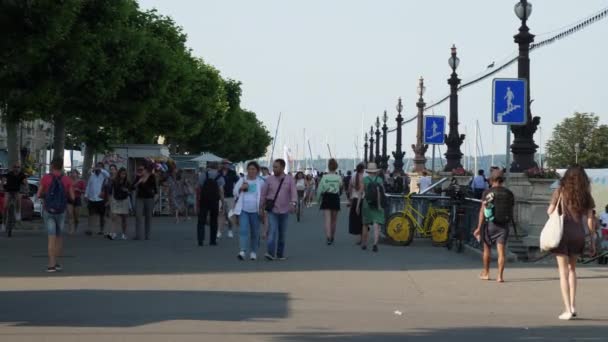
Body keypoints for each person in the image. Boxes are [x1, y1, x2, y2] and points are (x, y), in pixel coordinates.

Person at [546, 165, 596, 320]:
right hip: (578, 235)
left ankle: (567, 309)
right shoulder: (586, 195)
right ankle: (573, 305)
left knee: (563, 272)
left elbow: (549, 211)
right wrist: (592, 240)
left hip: (562, 234)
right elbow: (590, 219)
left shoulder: (560, 191)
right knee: (572, 270)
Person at [473, 170, 514, 283]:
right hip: (503, 225)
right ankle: (500, 276)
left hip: (490, 224)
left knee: (487, 250)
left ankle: (486, 273)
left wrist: (478, 228)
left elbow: (482, 211)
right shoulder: (509, 193)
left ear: (491, 180)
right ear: (502, 180)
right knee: (501, 252)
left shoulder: (487, 192)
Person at [37, 158, 74, 273]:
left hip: (48, 211)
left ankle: (51, 265)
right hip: (61, 211)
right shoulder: (67, 180)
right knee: (58, 238)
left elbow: (38, 194)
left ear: (52, 166)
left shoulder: (46, 178)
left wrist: (46, 195)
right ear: (62, 166)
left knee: (51, 238)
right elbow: (72, 197)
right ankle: (57, 263)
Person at [260, 159, 297, 260]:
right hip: (272, 210)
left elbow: (294, 193)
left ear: (282, 168)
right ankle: (270, 253)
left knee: (282, 233)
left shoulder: (289, 179)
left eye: (276, 167)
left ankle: (280, 254)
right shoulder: (269, 179)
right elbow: (263, 193)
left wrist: (293, 203)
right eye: (273, 167)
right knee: (272, 231)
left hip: (285, 211)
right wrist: (261, 206)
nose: (274, 169)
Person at [234, 161, 265, 261]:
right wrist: (241, 188)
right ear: (247, 170)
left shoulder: (261, 181)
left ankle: (253, 252)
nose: (251, 171)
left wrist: (262, 209)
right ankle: (242, 251)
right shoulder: (242, 179)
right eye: (250, 169)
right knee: (243, 230)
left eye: (253, 169)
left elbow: (264, 195)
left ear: (257, 171)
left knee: (255, 232)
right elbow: (234, 192)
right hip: (244, 210)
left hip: (256, 210)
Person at [197, 161, 225, 246]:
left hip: (204, 199)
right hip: (214, 200)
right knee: (214, 221)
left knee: (201, 220)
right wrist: (223, 202)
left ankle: (200, 240)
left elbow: (200, 186)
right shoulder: (220, 177)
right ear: (217, 167)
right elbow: (221, 190)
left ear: (209, 167)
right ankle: (212, 240)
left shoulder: (203, 175)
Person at [316, 159, 342, 245]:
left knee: (327, 219)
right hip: (335, 197)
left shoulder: (324, 177)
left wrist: (318, 199)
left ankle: (328, 237)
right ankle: (332, 236)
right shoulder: (338, 177)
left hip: (327, 197)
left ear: (328, 166)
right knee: (334, 220)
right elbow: (341, 187)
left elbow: (320, 190)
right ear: (336, 167)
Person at [361, 163, 385, 252]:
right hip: (377, 204)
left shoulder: (365, 180)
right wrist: (380, 204)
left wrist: (357, 205)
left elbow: (361, 192)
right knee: (376, 225)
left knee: (365, 224)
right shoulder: (379, 180)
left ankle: (364, 243)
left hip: (367, 204)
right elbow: (382, 192)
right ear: (376, 171)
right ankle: (375, 244)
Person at [1, 163, 28, 234]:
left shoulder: (21, 175)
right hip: (8, 191)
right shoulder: (9, 174)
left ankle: (17, 213)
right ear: (12, 168)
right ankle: (3, 224)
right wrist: (1, 187)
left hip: (16, 191)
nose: (16, 168)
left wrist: (26, 189)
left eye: (18, 167)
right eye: (15, 167)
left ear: (20, 168)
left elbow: (25, 182)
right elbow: (3, 179)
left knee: (18, 198)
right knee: (5, 206)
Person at [84, 162, 110, 236]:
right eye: (97, 166)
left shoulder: (104, 175)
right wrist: (86, 195)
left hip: (101, 199)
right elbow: (88, 186)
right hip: (92, 198)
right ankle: (90, 229)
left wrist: (101, 169)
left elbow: (108, 175)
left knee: (102, 215)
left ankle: (101, 229)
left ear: (102, 168)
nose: (98, 168)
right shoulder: (92, 176)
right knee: (91, 215)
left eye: (100, 167)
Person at [133, 165, 157, 240]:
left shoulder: (152, 177)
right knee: (138, 216)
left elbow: (155, 189)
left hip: (149, 198)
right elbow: (131, 187)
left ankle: (147, 235)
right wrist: (138, 182)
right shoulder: (138, 177)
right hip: (139, 198)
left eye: (141, 169)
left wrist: (155, 199)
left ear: (146, 170)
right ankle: (138, 235)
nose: (140, 171)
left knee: (148, 217)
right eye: (139, 169)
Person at [107, 167, 131, 240]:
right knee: (114, 217)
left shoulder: (127, 182)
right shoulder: (114, 181)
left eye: (124, 174)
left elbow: (130, 191)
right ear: (119, 174)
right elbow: (110, 191)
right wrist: (109, 200)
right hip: (116, 199)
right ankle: (113, 233)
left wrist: (127, 190)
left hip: (124, 200)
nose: (123, 175)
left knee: (124, 218)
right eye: (122, 174)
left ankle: (124, 233)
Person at [218, 161, 239, 239]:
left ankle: (230, 230)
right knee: (221, 214)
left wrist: (237, 193)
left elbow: (237, 182)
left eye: (227, 164)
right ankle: (219, 231)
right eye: (224, 163)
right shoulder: (218, 172)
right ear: (222, 164)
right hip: (220, 196)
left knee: (230, 215)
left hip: (230, 196)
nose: (225, 165)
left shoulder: (232, 173)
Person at [348, 163, 365, 244]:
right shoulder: (364, 176)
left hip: (354, 199)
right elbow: (362, 192)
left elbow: (350, 187)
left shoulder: (354, 175)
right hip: (362, 200)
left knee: (357, 221)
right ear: (363, 169)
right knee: (363, 220)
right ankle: (363, 239)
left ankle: (360, 238)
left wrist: (350, 198)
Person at [67, 170, 86, 234]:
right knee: (70, 215)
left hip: (77, 199)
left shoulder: (81, 182)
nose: (72, 174)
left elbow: (84, 191)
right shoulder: (68, 181)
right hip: (69, 198)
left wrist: (78, 190)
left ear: (77, 174)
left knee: (76, 216)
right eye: (71, 173)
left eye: (74, 173)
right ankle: (71, 229)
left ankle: (75, 227)